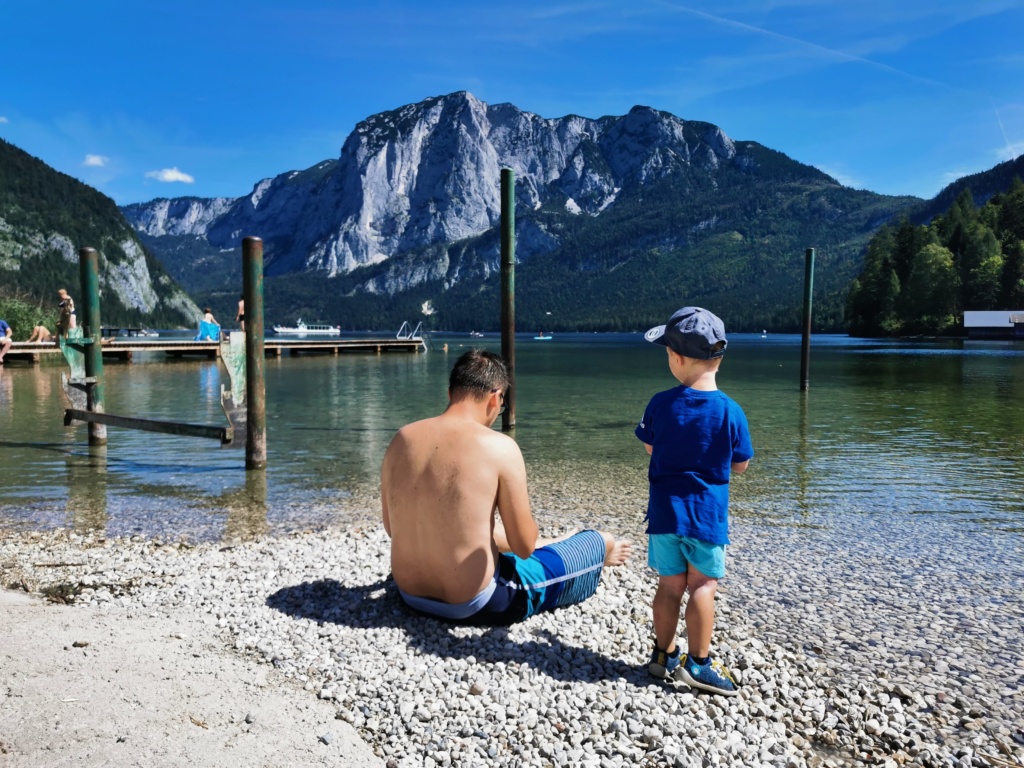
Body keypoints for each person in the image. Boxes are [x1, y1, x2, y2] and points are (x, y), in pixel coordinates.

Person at [381, 349, 631, 625]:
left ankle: (555, 543)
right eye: (501, 403)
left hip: (410, 595)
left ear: (450, 392)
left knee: (479, 531)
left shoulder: (401, 438)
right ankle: (600, 551)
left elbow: (393, 528)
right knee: (595, 539)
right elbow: (523, 547)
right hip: (476, 602)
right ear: (494, 397)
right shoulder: (499, 447)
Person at [636, 306, 753, 696]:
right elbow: (741, 465)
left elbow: (652, 447)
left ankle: (663, 655)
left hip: (665, 515)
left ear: (677, 358)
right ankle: (699, 665)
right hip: (706, 518)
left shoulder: (659, 403)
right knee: (702, 586)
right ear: (720, 357)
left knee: (669, 586)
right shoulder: (731, 411)